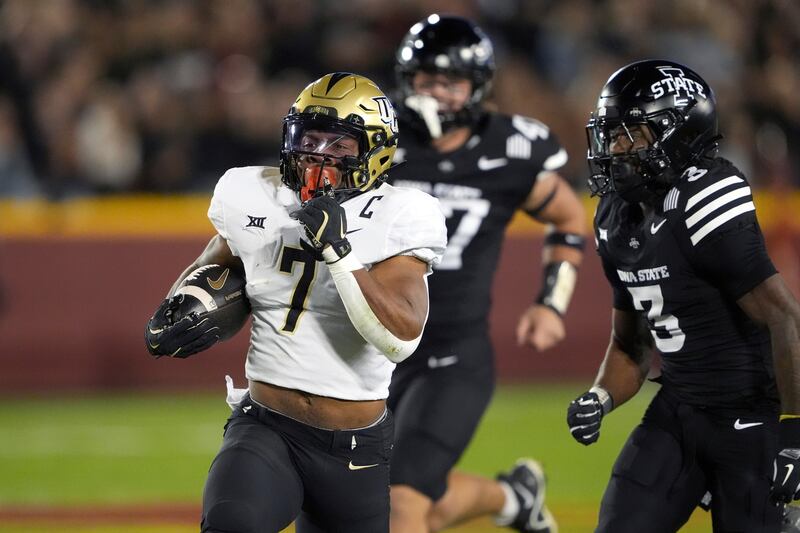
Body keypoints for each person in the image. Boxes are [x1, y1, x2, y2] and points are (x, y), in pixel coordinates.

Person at [144, 72, 447, 533]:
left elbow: (400, 337)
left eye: (339, 145)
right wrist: (179, 306)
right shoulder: (252, 192)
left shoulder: (403, 213)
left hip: (354, 448)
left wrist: (340, 252)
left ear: (376, 151)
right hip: (267, 428)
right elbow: (213, 268)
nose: (317, 155)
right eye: (309, 138)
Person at [566, 59, 800, 532]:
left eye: (632, 134)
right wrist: (600, 397)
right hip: (680, 411)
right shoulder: (616, 215)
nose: (614, 148)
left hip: (750, 418)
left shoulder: (705, 195)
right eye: (610, 135)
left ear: (680, 131)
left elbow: (784, 317)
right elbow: (632, 343)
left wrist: (795, 435)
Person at [387, 14, 586, 533]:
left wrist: (552, 302)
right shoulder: (378, 143)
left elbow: (568, 217)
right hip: (372, 347)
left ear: (477, 87)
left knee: (402, 501)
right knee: (364, 496)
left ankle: (512, 498)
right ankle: (513, 498)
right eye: (424, 79)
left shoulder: (511, 147)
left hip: (451, 356)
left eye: (449, 81)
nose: (435, 93)